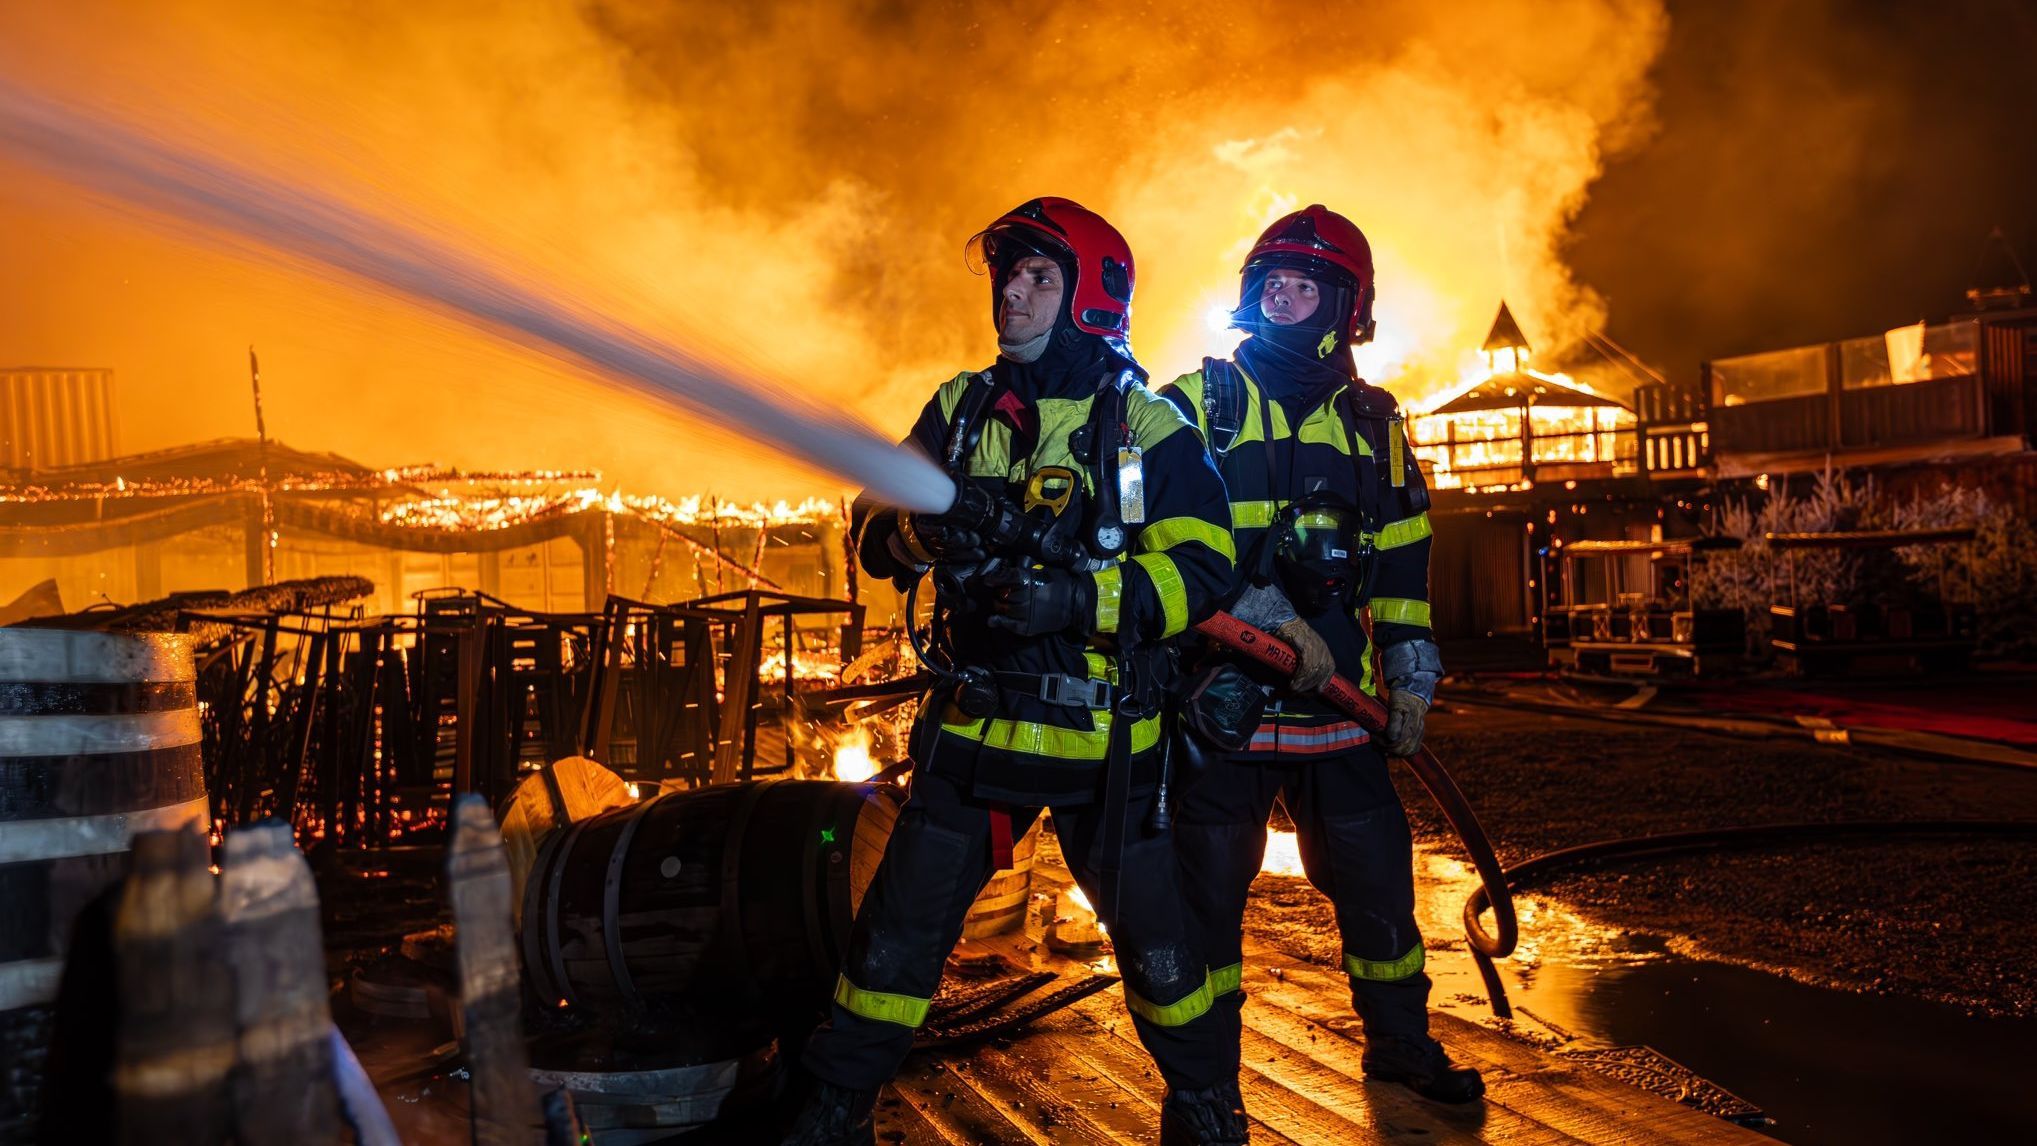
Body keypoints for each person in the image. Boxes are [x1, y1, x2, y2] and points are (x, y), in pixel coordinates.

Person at [784, 197, 1240, 1146]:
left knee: (1160, 951)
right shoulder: (957, 408)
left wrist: (1078, 604)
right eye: (1006, 275)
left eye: (1039, 278)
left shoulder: (1148, 428)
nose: (1012, 295)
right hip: (974, 739)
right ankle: (834, 1111)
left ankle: (1203, 1104)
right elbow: (871, 531)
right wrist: (914, 533)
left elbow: (1202, 569)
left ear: (1090, 300)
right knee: (894, 940)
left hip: (1107, 750)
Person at [1159, 205, 1482, 1124]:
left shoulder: (1376, 427)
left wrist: (1412, 680)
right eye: (1269, 283)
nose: (1280, 298)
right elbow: (1160, 537)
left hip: (1340, 708)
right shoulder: (1198, 404)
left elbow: (1403, 571)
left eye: (1302, 286)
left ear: (1346, 308)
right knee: (1206, 899)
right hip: (1217, 703)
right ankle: (1206, 1078)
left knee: (1380, 885)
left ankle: (1400, 1044)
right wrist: (1248, 613)